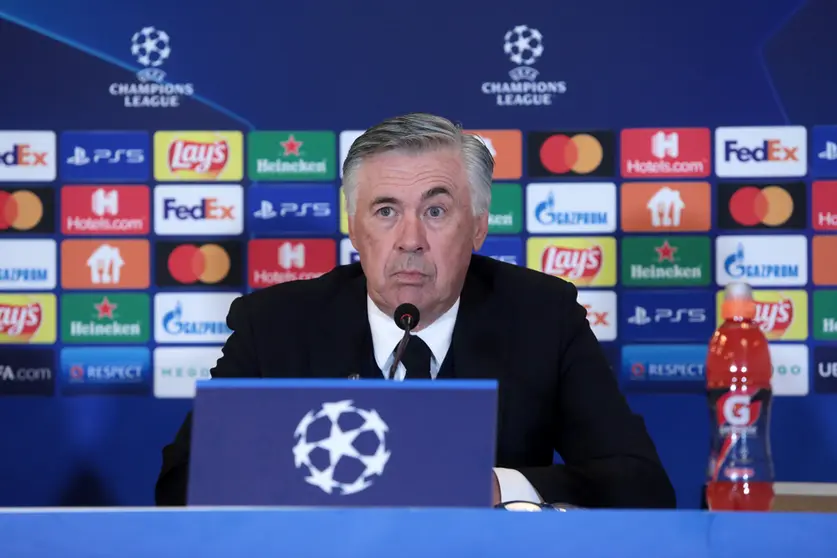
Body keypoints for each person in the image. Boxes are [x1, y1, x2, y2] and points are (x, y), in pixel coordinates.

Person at [155, 112, 677, 509]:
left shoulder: (544, 316)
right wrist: (323, 482)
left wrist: (494, 486)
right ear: (354, 228)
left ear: (476, 226)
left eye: (436, 210)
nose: (411, 240)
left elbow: (643, 484)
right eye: (386, 211)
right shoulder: (274, 325)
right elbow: (181, 484)